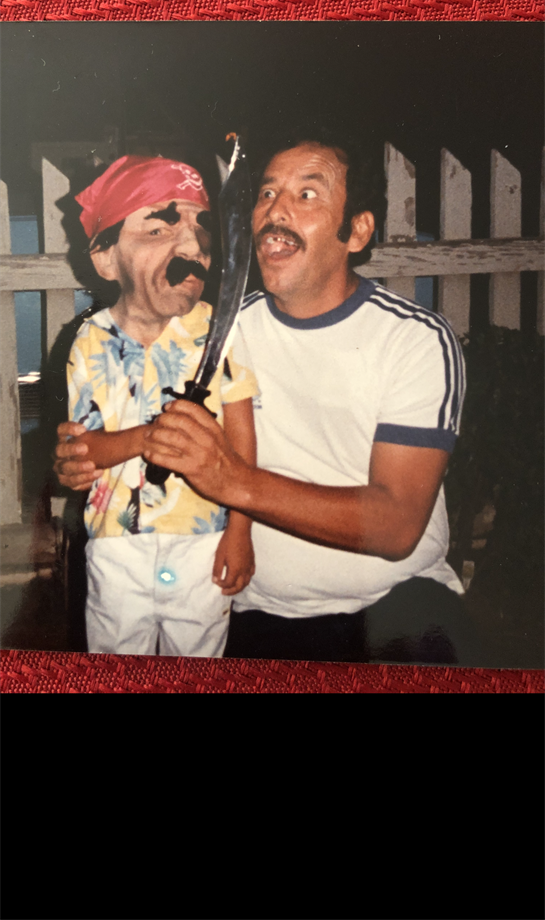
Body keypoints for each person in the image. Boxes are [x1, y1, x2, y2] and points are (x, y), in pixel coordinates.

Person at [140, 132, 479, 665]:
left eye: (307, 194)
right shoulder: (219, 332)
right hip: (250, 608)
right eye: (267, 193)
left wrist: (235, 480)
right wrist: (95, 450)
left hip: (396, 609)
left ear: (357, 231)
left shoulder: (413, 340)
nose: (275, 211)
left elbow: (395, 525)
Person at [54, 154, 258, 657]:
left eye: (201, 228)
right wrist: (150, 437)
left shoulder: (220, 332)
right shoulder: (89, 341)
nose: (192, 247)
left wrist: (240, 531)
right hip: (116, 546)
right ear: (106, 258)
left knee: (198, 670)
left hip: (202, 542)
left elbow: (242, 439)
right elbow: (85, 452)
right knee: (118, 671)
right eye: (158, 230)